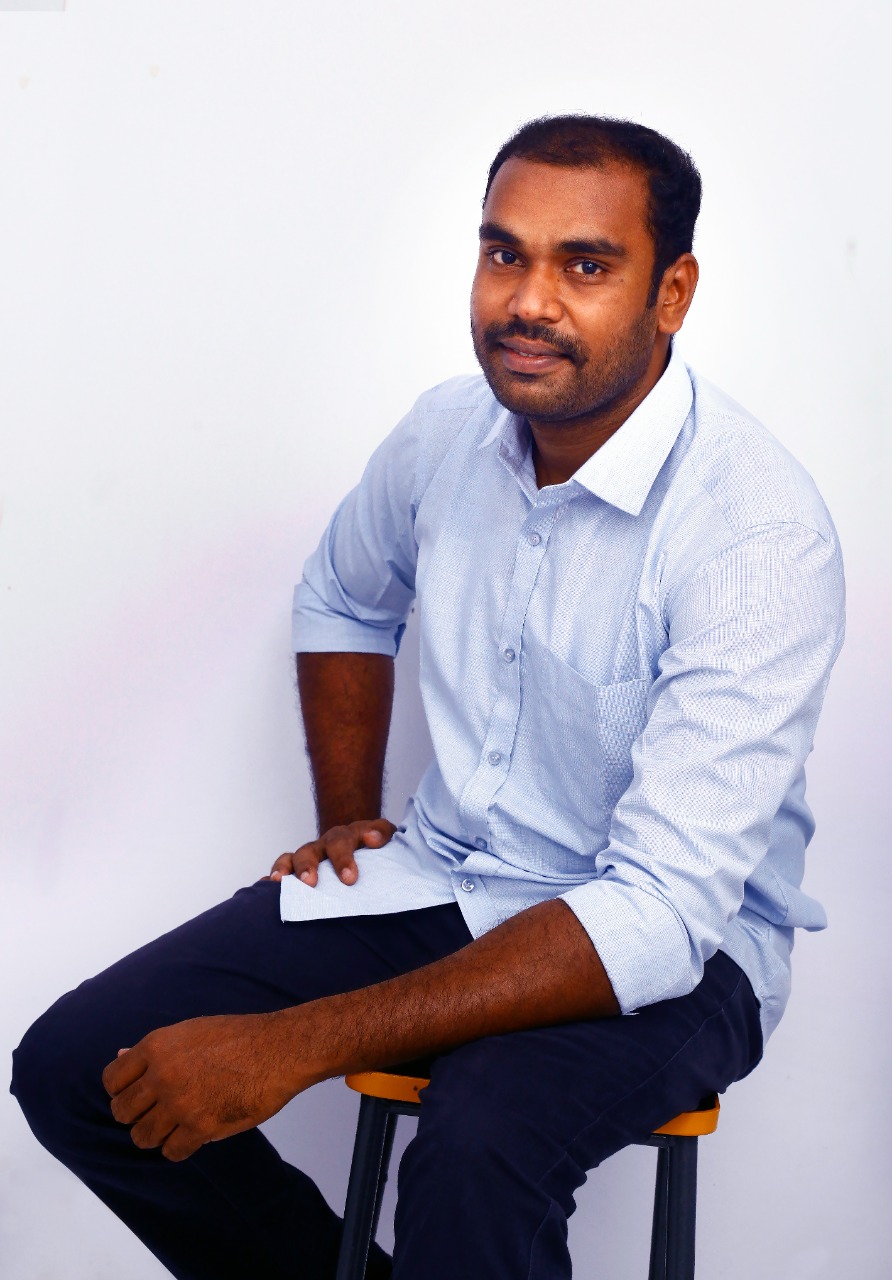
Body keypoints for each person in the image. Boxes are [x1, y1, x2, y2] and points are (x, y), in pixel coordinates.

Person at [11, 115, 844, 1280]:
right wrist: (347, 812)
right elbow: (343, 597)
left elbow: (658, 909)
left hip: (683, 944)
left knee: (477, 1144)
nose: (527, 301)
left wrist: (293, 1043)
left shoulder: (755, 535)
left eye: (585, 265)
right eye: (505, 253)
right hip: (451, 874)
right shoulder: (446, 434)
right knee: (80, 1067)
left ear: (672, 293)